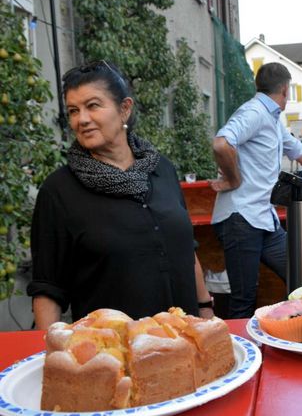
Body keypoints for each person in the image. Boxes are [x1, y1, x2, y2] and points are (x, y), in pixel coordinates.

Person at [28, 60, 213, 329]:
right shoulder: (59, 191)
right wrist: (48, 354)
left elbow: (186, 249)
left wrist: (206, 309)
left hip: (183, 341)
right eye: (73, 110)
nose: (82, 119)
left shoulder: (162, 170)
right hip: (112, 355)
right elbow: (48, 288)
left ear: (124, 109)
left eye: (93, 106)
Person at [211, 62, 302, 318]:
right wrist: (233, 179)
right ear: (285, 89)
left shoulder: (272, 118)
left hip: (263, 219)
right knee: (244, 300)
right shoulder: (253, 112)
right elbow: (221, 144)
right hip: (241, 219)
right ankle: (243, 356)